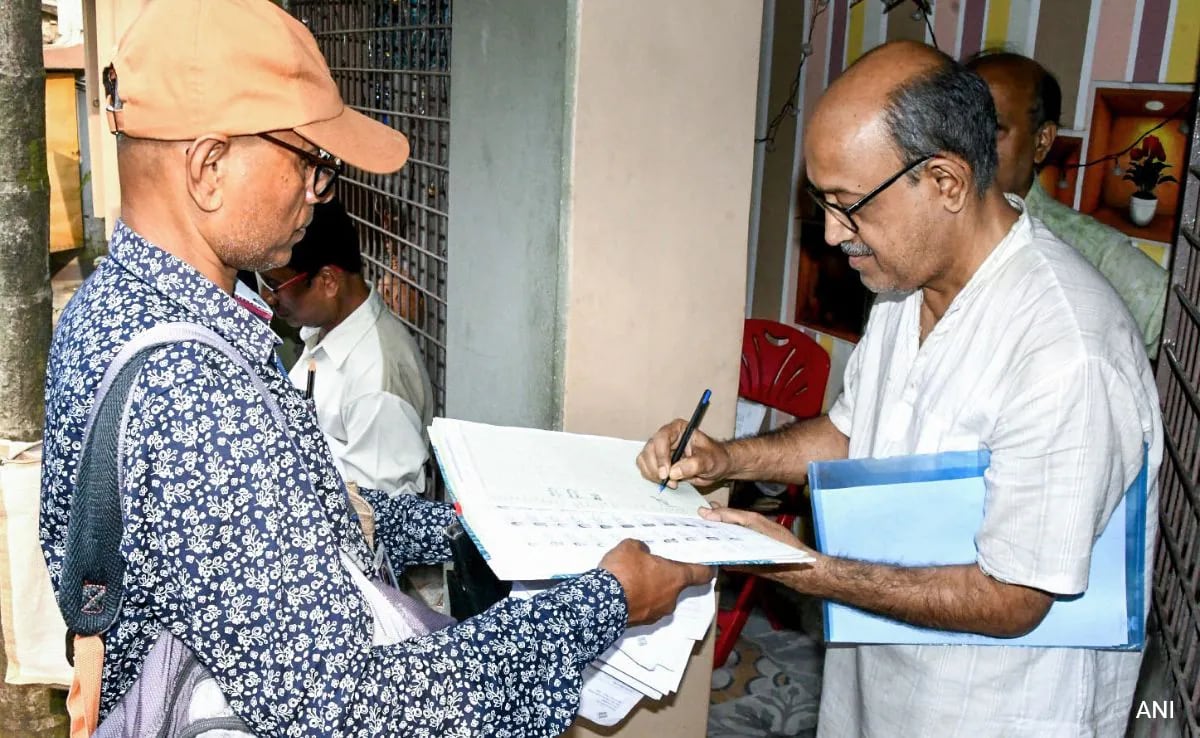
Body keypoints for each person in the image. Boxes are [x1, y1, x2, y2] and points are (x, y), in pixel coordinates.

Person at [39, 0, 711, 735]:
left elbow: (286, 520)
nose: (319, 194)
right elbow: (350, 706)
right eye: (311, 165)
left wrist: (469, 528)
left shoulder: (113, 305)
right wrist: (604, 604)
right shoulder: (192, 391)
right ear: (207, 167)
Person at [639, 41, 1161, 737]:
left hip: (996, 708)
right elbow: (855, 431)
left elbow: (1014, 597)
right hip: (877, 674)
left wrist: (805, 569)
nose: (831, 234)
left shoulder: (1067, 350)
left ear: (945, 182)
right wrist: (725, 459)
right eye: (823, 204)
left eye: (848, 206)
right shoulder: (903, 288)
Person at [965, 51, 1167, 358]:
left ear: (1042, 141)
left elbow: (1180, 334)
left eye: (992, 130)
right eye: (959, 128)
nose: (967, 146)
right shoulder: (927, 231)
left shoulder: (1091, 252)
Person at [259, 199, 433, 497]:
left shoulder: (375, 387)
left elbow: (379, 512)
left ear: (327, 281)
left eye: (276, 285)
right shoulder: (326, 327)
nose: (267, 297)